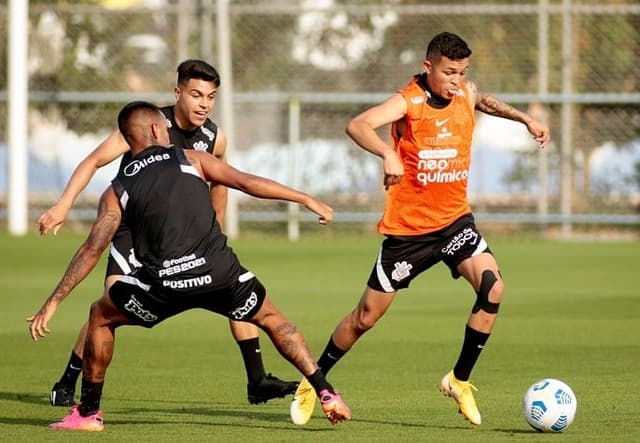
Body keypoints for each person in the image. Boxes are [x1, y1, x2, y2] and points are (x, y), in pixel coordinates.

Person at [27, 101, 351, 431]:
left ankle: (87, 414)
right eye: (164, 127)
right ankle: (326, 392)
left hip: (164, 286)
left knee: (100, 315)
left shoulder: (117, 190)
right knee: (271, 318)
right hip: (220, 273)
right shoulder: (192, 159)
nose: (168, 130)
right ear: (154, 129)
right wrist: (305, 199)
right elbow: (246, 182)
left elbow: (92, 249)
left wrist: (53, 301)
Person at [289, 32, 550, 426]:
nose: (456, 81)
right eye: (448, 72)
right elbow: (358, 124)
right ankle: (314, 380)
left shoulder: (465, 91)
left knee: (493, 286)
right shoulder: (408, 100)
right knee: (365, 318)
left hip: (455, 222)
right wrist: (387, 152)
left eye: (462, 72)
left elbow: (484, 100)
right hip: (409, 234)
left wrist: (525, 119)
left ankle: (458, 380)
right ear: (428, 67)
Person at [37, 60, 298, 407]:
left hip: (183, 232)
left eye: (211, 96)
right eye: (196, 94)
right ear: (178, 93)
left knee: (231, 284)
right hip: (135, 228)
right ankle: (70, 379)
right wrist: (62, 206)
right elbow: (92, 162)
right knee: (109, 305)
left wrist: (215, 228)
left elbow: (219, 180)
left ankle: (257, 378)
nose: (204, 103)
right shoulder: (147, 124)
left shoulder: (214, 137)